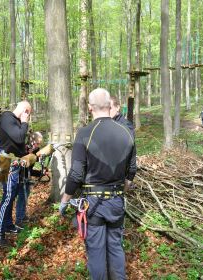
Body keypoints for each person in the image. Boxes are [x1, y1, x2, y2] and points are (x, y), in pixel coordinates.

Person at [59, 88, 136, 280]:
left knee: (96, 252)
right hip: (116, 201)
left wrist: (65, 199)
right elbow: (132, 169)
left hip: (93, 204)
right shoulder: (126, 132)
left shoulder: (85, 133)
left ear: (90, 107)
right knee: (116, 248)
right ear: (110, 105)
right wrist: (121, 190)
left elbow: (76, 173)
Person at [0, 101, 31, 247]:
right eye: (29, 113)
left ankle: (8, 224)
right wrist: (24, 122)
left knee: (12, 195)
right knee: (8, 196)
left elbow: (19, 142)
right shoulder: (6, 118)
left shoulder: (13, 120)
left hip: (16, 165)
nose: (29, 117)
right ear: (24, 110)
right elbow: (19, 137)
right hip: (8, 164)